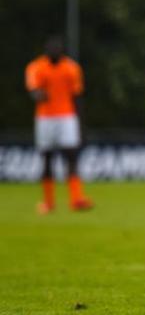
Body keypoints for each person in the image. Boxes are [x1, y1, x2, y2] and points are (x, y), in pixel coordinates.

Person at [25, 36, 93, 214]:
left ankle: (76, 199)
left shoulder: (71, 68)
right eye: (51, 49)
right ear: (46, 51)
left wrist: (80, 124)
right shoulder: (36, 67)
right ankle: (48, 202)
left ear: (62, 51)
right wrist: (38, 94)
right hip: (45, 118)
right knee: (47, 157)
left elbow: (77, 97)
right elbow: (33, 90)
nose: (54, 52)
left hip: (67, 117)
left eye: (57, 49)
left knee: (71, 156)